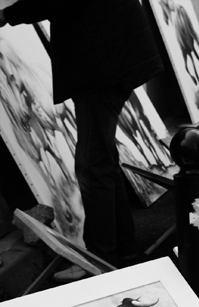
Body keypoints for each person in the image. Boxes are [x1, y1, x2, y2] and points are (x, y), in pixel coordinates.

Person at [0, 0, 163, 281]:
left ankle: (99, 260)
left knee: (92, 166)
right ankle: (123, 251)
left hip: (103, 61)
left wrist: (7, 14)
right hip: (110, 54)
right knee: (103, 162)